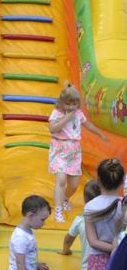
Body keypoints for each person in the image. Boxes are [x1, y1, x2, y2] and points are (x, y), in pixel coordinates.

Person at [49, 83, 108, 222]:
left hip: (74, 152)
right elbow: (52, 129)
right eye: (68, 104)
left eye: (74, 104)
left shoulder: (78, 114)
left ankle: (65, 199)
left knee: (74, 185)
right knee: (61, 180)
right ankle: (58, 210)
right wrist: (67, 118)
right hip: (60, 149)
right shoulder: (57, 113)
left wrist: (100, 134)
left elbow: (88, 125)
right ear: (62, 103)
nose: (71, 107)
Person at [84, 158, 124, 270]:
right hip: (121, 257)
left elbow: (93, 241)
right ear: (121, 182)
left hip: (97, 258)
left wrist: (113, 248)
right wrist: (117, 249)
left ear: (99, 180)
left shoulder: (90, 206)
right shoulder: (124, 204)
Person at [58, 179, 102, 270]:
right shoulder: (112, 217)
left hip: (88, 266)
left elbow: (68, 239)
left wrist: (65, 250)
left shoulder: (80, 219)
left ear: (85, 200)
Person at [8, 195, 51, 270]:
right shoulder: (20, 237)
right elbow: (20, 264)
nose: (44, 223)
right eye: (42, 219)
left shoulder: (28, 231)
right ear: (31, 216)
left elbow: (28, 254)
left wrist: (36, 264)